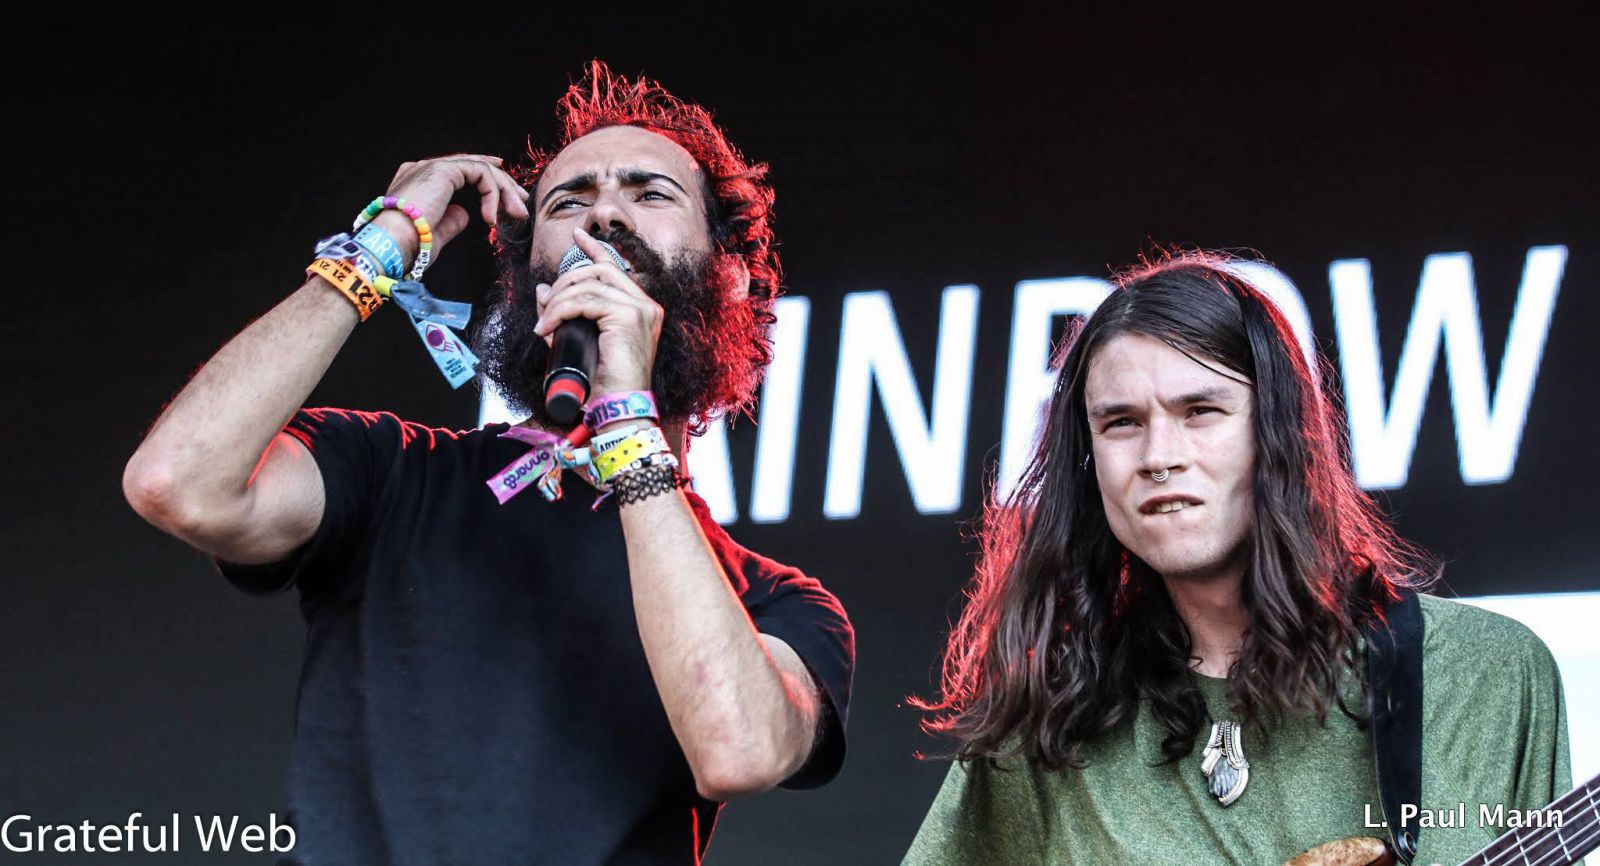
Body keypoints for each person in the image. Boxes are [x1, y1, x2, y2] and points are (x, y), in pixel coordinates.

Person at [122, 61, 854, 866]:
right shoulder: (392, 471)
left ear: (730, 276)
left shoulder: (778, 601)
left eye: (649, 193)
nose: (603, 214)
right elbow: (178, 482)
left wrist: (626, 424)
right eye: (568, 201)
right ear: (525, 280)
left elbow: (739, 750)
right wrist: (384, 243)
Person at [904, 252, 1571, 865]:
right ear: (1087, 461)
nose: (1159, 456)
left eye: (1200, 410)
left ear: (1276, 435)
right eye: (1121, 423)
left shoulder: (1484, 675)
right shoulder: (1048, 725)